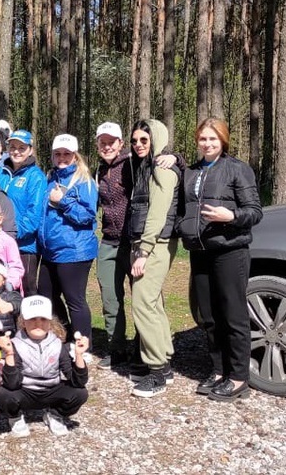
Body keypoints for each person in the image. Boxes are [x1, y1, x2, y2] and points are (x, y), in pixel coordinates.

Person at [178, 117, 262, 401]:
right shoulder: (191, 171)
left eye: (213, 139)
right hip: (200, 251)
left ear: (223, 140)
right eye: (203, 138)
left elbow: (255, 211)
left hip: (230, 250)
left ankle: (238, 378)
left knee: (233, 316)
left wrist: (232, 216)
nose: (208, 143)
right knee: (210, 316)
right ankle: (217, 370)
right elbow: (182, 208)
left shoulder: (237, 169)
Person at [126, 119, 181, 399]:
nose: (137, 145)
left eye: (144, 141)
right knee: (154, 303)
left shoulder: (162, 171)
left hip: (156, 244)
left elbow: (158, 214)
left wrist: (144, 250)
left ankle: (156, 371)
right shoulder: (145, 168)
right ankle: (165, 364)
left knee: (142, 303)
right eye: (134, 140)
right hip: (147, 243)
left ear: (156, 140)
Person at [0, 295, 89, 438]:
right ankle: (15, 418)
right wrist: (9, 353)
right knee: (3, 393)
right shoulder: (15, 344)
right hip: (26, 392)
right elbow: (12, 384)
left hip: (51, 391)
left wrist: (79, 355)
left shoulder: (57, 344)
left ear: (50, 322)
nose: (38, 324)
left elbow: (78, 381)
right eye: (32, 319)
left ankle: (55, 415)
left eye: (43, 319)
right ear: (23, 321)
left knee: (80, 393)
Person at [37, 134, 98, 343]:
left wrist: (63, 202)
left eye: (67, 154)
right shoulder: (51, 178)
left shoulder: (84, 181)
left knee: (75, 300)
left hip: (74, 250)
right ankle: (67, 334)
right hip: (50, 250)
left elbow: (87, 216)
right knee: (46, 296)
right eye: (58, 154)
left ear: (75, 156)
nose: (62, 158)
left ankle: (83, 346)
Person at [93, 121, 134, 370]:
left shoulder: (132, 164)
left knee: (142, 298)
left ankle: (145, 348)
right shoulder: (99, 171)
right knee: (110, 298)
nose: (107, 146)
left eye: (111, 142)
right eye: (103, 142)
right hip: (108, 241)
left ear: (120, 144)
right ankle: (116, 347)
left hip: (132, 242)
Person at [0, 129, 47, 295]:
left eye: (21, 148)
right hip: (1, 242)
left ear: (30, 150)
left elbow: (34, 216)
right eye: (13, 147)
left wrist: (10, 234)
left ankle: (31, 321)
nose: (16, 151)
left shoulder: (36, 176)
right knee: (3, 287)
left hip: (25, 245)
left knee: (27, 287)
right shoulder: (1, 173)